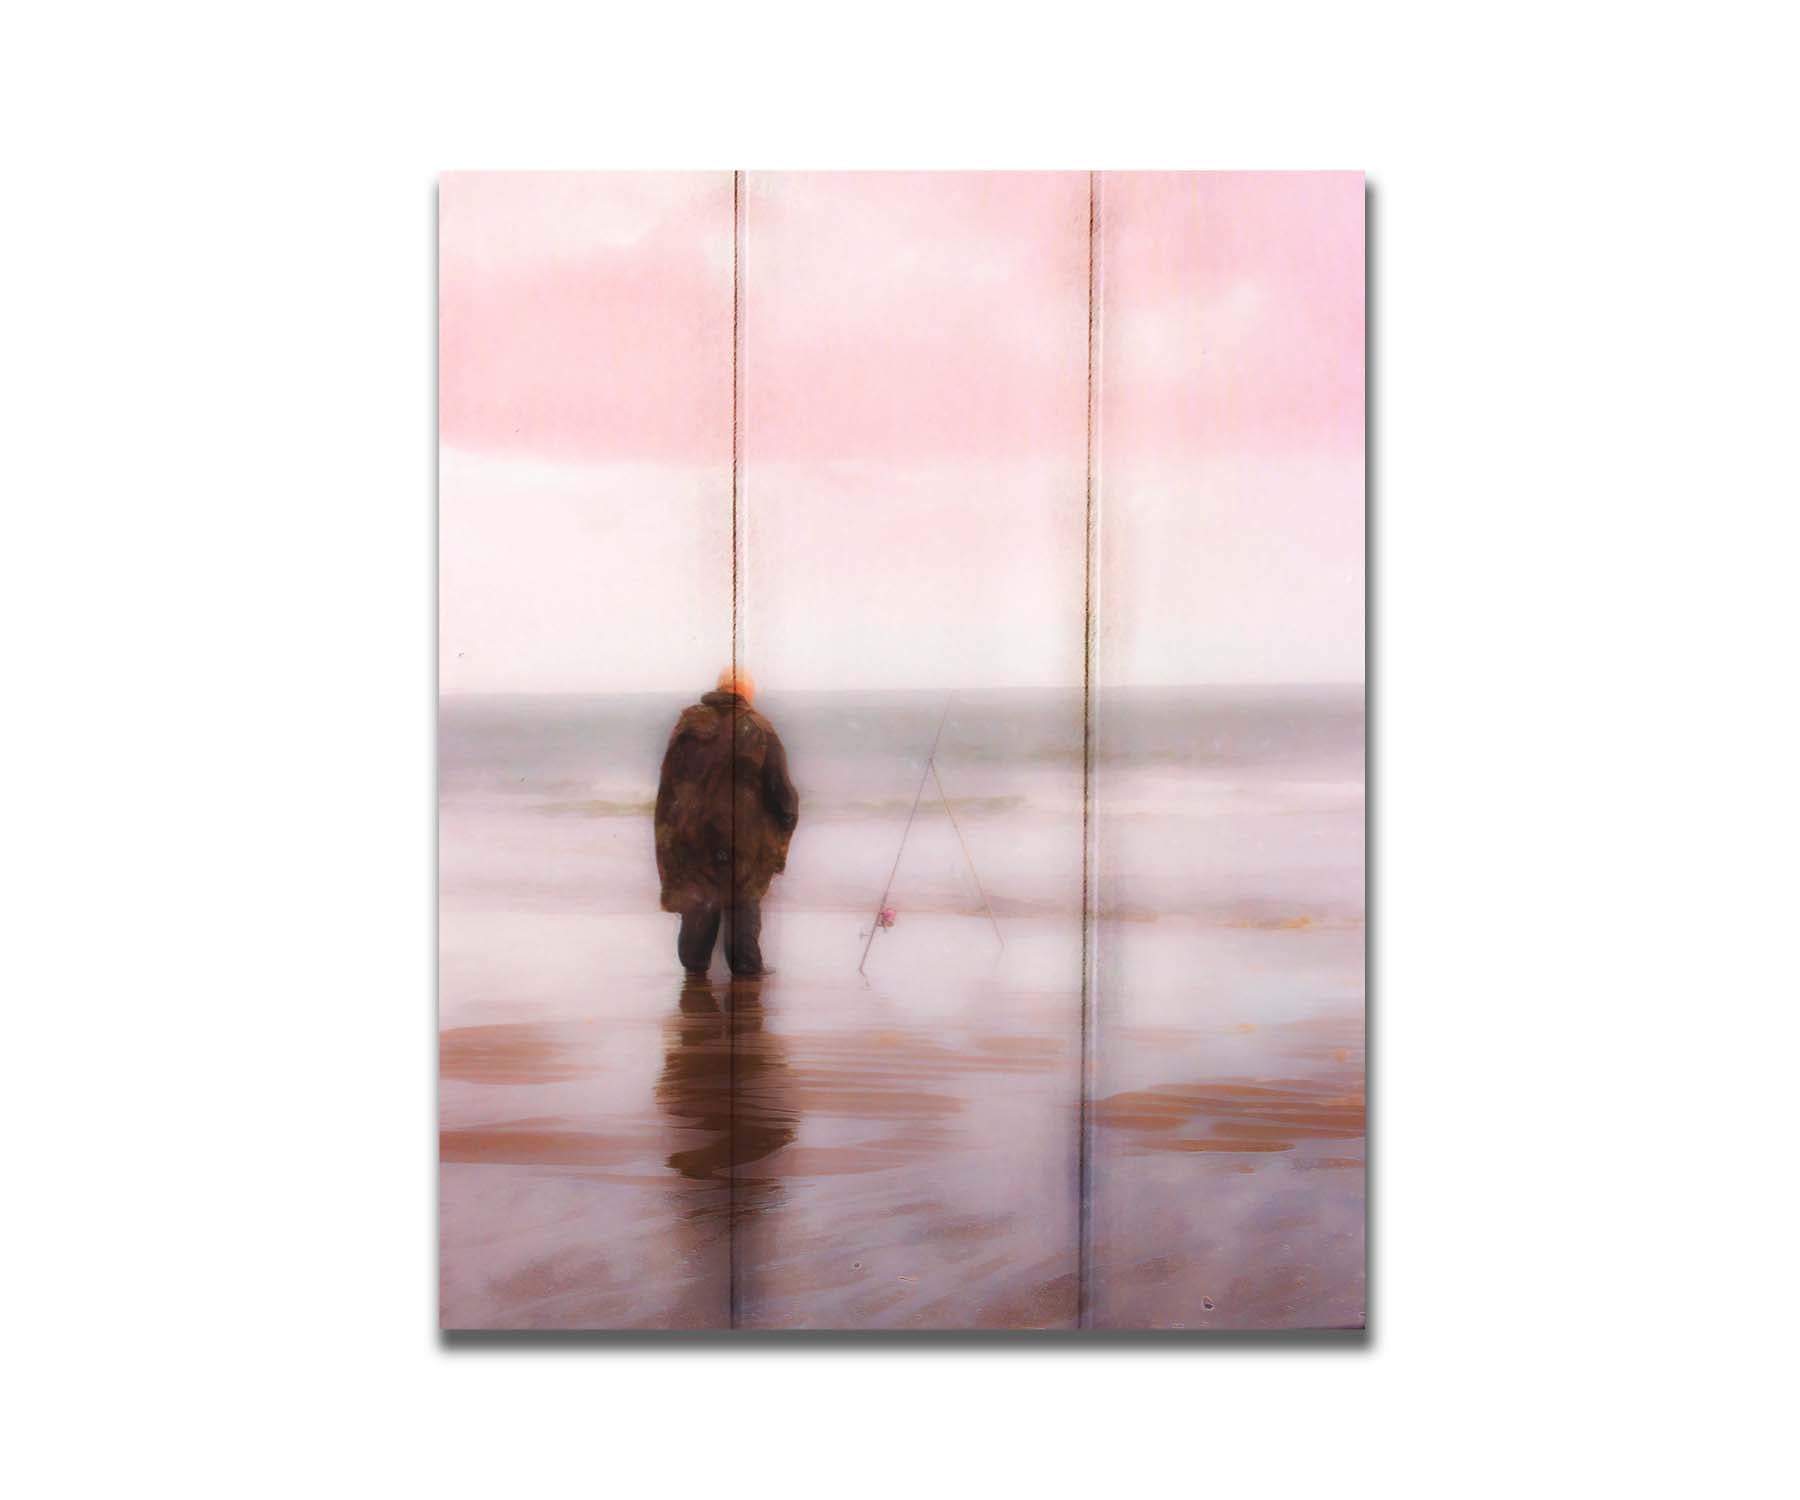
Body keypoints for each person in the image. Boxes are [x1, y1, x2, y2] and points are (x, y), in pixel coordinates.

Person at [653, 668, 799, 977]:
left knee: (698, 909)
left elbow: (668, 787)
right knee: (743, 908)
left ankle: (694, 985)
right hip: (743, 842)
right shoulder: (758, 728)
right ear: (747, 693)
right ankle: (746, 993)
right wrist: (781, 833)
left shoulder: (687, 728)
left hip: (693, 838)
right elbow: (783, 794)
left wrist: (671, 837)